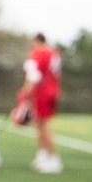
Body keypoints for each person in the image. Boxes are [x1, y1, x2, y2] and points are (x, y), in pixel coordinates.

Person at [20, 32, 64, 174]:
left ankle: (53, 158)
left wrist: (26, 93)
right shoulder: (54, 52)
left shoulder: (38, 53)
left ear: (36, 41)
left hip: (42, 93)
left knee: (44, 126)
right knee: (39, 124)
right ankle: (42, 155)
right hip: (52, 91)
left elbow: (34, 75)